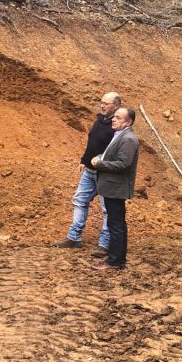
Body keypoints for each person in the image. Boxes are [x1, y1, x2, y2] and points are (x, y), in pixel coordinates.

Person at [55, 92, 121, 251]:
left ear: (116, 106)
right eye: (102, 102)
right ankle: (73, 238)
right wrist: (84, 160)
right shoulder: (100, 120)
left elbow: (116, 152)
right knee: (79, 201)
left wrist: (103, 164)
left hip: (105, 174)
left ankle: (104, 244)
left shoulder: (116, 127)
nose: (103, 105)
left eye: (107, 103)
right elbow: (92, 142)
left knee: (106, 209)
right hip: (90, 172)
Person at [90, 107, 140, 270]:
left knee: (116, 225)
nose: (113, 119)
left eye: (118, 118)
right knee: (116, 224)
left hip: (116, 188)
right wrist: (101, 157)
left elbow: (123, 164)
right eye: (114, 117)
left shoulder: (128, 139)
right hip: (112, 187)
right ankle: (117, 259)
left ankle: (114, 261)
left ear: (128, 122)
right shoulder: (120, 135)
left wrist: (100, 163)